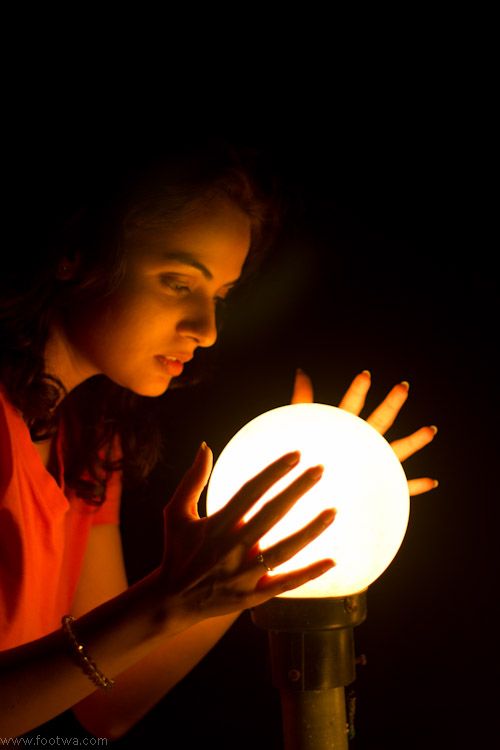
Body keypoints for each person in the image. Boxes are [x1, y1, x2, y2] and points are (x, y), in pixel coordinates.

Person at [0, 139, 437, 740]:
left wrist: (251, 567)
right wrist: (171, 597)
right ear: (76, 250)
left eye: (221, 297)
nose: (206, 329)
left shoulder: (90, 442)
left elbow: (104, 703)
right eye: (179, 282)